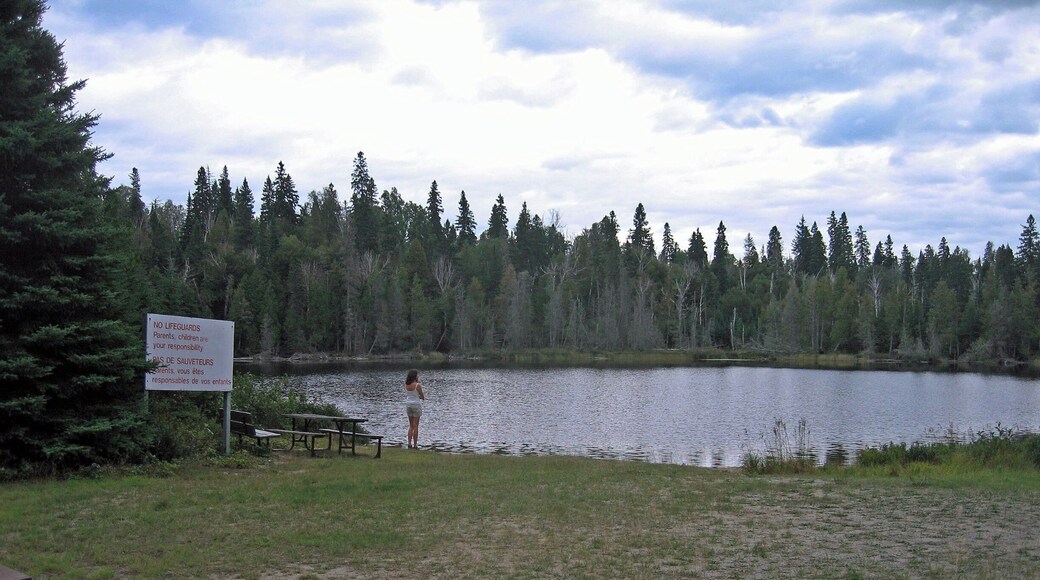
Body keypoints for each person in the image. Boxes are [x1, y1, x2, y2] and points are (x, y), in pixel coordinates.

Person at [404, 368, 425, 449]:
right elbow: (422, 396)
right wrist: (422, 397)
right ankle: (415, 445)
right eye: (417, 375)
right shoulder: (417, 385)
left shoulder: (407, 384)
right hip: (416, 405)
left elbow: (410, 394)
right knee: (416, 426)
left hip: (408, 405)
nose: (418, 376)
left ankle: (409, 443)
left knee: (411, 425)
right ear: (414, 376)